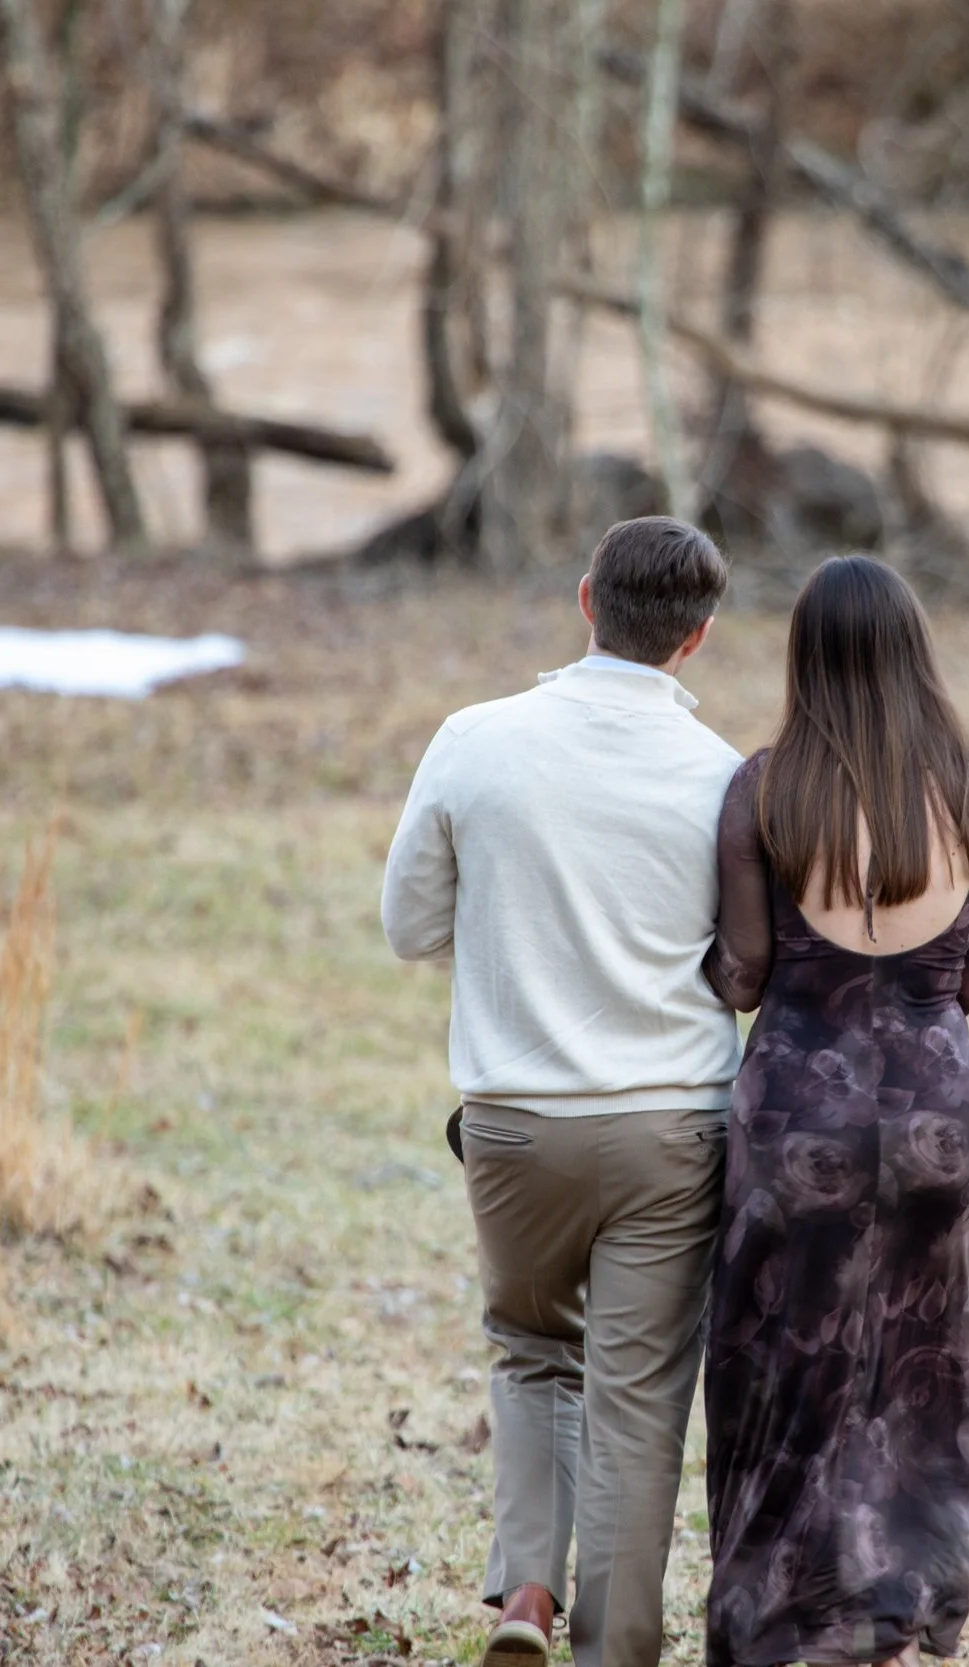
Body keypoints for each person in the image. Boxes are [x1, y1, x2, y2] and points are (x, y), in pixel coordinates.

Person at [381, 517, 743, 1667]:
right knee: (636, 1396)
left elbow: (408, 926)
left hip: (516, 1121)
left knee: (533, 1347)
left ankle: (526, 1594)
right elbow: (745, 956)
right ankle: (617, 1648)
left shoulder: (474, 739)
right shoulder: (723, 774)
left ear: (586, 598)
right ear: (696, 639)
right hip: (674, 1124)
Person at [700, 555, 969, 1667]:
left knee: (786, 1368)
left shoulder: (761, 791)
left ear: (805, 658)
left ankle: (786, 1621)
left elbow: (743, 973)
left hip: (799, 1113)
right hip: (941, 1115)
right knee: (921, 1361)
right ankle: (905, 1603)